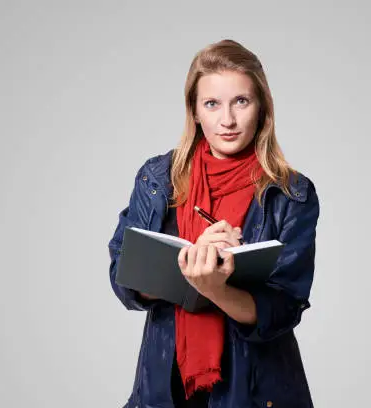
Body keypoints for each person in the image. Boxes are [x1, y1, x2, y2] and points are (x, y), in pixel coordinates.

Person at [108, 39, 320, 408]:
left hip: (256, 393)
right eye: (212, 104)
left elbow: (283, 308)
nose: (227, 120)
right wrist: (189, 264)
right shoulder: (157, 179)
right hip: (166, 389)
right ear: (194, 111)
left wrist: (216, 287)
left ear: (262, 107)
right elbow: (123, 276)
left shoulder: (291, 193)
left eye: (241, 101)